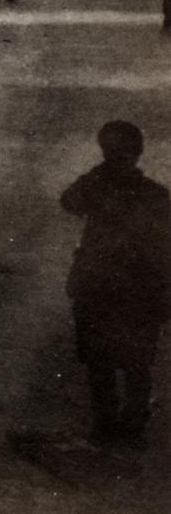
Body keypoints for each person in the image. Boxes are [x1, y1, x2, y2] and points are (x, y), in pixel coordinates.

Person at [59, 122, 170, 450]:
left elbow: (68, 201)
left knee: (101, 362)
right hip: (141, 291)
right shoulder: (157, 195)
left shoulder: (97, 187)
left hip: (101, 287)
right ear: (138, 153)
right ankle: (131, 433)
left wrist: (100, 173)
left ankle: (107, 430)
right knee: (136, 364)